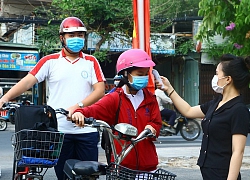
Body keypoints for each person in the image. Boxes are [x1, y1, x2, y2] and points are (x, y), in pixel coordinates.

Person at [0, 17, 106, 180]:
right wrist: (4, 98)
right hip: (60, 131)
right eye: (71, 35)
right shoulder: (50, 61)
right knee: (63, 175)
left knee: (89, 176)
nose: (76, 39)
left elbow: (100, 90)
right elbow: (28, 81)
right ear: (62, 38)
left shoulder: (91, 61)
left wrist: (77, 106)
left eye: (80, 35)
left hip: (87, 130)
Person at [157, 54, 250, 180]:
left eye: (217, 74)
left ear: (228, 79)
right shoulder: (216, 103)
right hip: (208, 172)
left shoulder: (239, 110)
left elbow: (238, 152)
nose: (215, 77)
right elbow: (188, 111)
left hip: (223, 174)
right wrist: (169, 89)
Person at [71, 48, 162, 171]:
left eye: (146, 74)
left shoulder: (150, 98)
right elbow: (94, 110)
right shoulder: (115, 98)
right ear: (125, 74)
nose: (144, 78)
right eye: (140, 74)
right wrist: (79, 113)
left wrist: (152, 127)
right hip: (122, 165)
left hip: (148, 166)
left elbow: (156, 123)